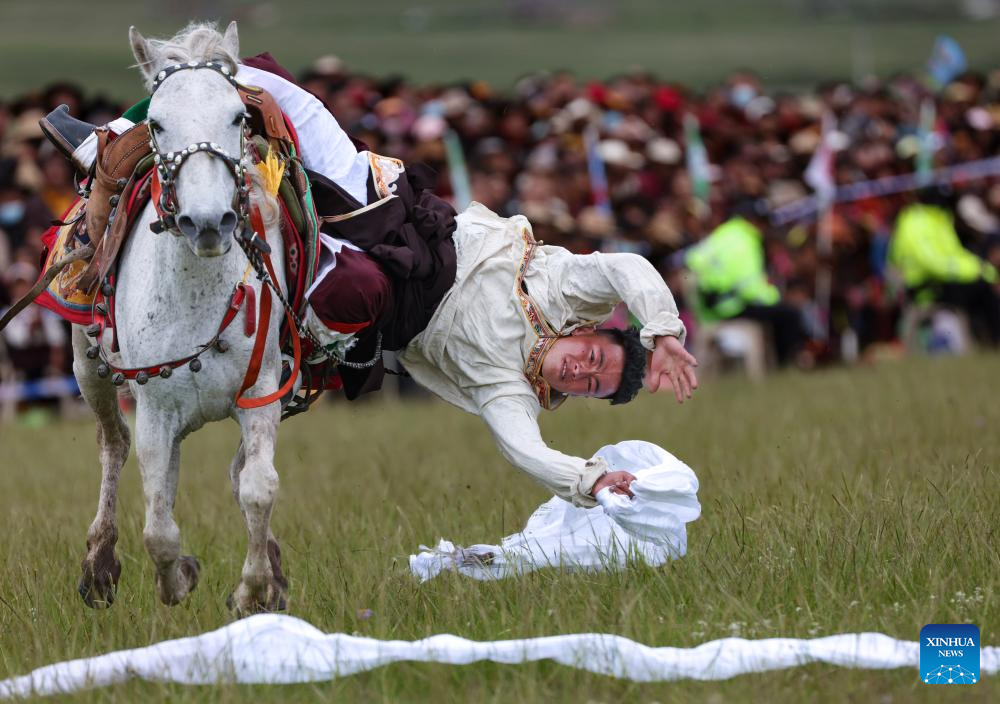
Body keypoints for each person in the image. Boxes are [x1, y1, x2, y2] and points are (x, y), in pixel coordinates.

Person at [39, 35, 698, 508]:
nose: (584, 370)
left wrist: (587, 479)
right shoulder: (562, 289)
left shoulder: (506, 389)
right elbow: (624, 265)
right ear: (593, 331)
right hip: (377, 207)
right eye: (596, 358)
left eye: (590, 385)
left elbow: (526, 452)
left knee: (319, 264)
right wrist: (661, 330)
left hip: (365, 278)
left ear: (566, 398)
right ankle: (109, 140)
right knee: (259, 81)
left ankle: (119, 160)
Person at [684, 201, 807, 366]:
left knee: (779, 313)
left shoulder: (723, 233)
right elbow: (751, 289)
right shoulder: (747, 241)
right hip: (730, 306)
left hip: (707, 307)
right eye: (763, 223)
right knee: (789, 315)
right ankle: (784, 366)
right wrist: (776, 298)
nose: (765, 228)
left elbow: (691, 260)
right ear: (753, 221)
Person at [889, 187, 1000, 346]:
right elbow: (932, 263)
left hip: (943, 280)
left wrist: (987, 271)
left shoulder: (939, 219)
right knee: (983, 288)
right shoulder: (916, 222)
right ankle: (993, 341)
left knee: (988, 285)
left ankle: (989, 342)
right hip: (925, 285)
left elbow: (956, 254)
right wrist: (976, 272)